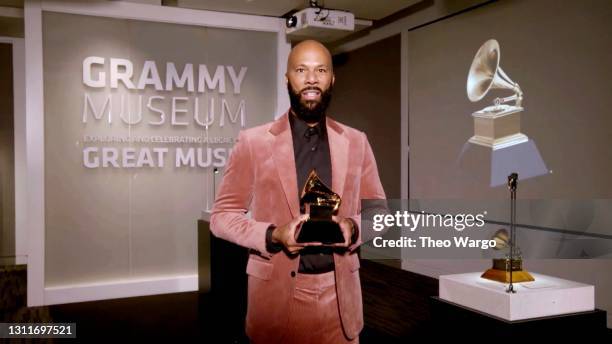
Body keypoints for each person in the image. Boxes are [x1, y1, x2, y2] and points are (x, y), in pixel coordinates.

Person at [210, 39, 386, 344]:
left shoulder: (357, 142)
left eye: (320, 70)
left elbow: (381, 214)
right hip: (277, 303)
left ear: (332, 79)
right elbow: (222, 217)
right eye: (301, 70)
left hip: (341, 303)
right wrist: (274, 235)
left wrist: (354, 227)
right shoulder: (253, 142)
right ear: (287, 79)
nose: (311, 78)